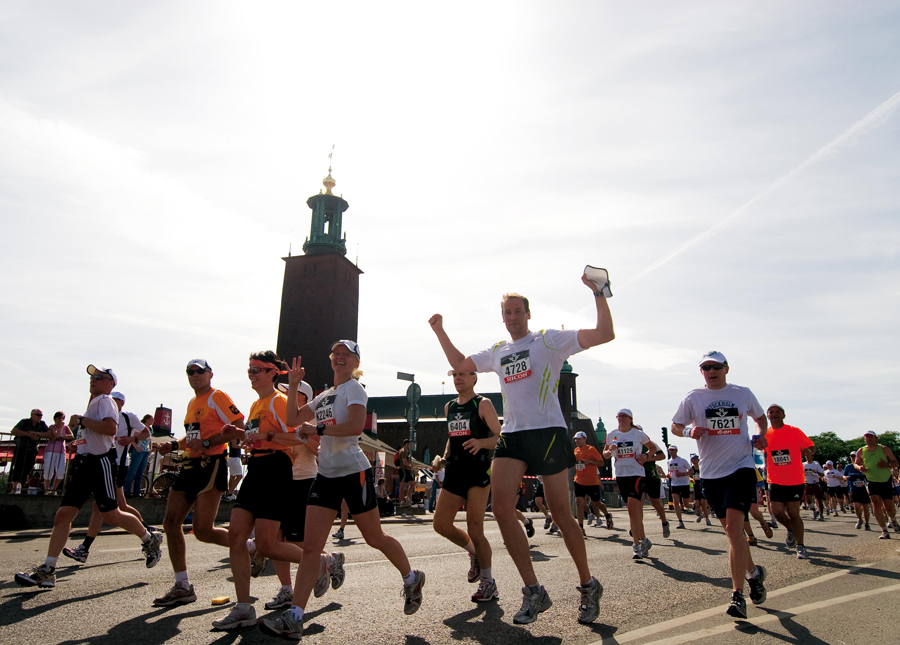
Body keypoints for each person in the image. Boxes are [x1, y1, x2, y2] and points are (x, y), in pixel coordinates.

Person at [429, 272, 613, 625]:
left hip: (547, 433)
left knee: (561, 514)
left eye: (517, 311)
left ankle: (588, 585)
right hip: (513, 435)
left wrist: (600, 294)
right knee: (501, 509)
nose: (512, 317)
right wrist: (440, 331)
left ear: (528, 314)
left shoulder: (548, 340)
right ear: (503, 318)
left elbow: (604, 334)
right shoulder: (499, 350)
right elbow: (461, 364)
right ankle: (533, 591)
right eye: (507, 312)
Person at [260, 341, 424, 639]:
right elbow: (292, 419)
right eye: (336, 353)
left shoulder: (354, 389)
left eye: (346, 355)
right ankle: (295, 617)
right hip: (325, 475)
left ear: (355, 362)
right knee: (311, 548)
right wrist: (293, 385)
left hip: (353, 472)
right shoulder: (324, 396)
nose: (339, 357)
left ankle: (411, 578)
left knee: (374, 538)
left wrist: (318, 430)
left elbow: (356, 426)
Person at [14, 365, 163, 589]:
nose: (94, 379)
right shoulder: (94, 403)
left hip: (101, 463)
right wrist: (79, 443)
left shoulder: (105, 401)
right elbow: (96, 436)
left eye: (100, 377)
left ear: (111, 384)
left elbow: (110, 429)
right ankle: (48, 570)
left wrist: (82, 421)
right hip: (85, 463)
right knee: (63, 515)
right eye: (93, 377)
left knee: (112, 514)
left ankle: (149, 539)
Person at [211, 351, 309, 629]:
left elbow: (299, 437)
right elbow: (258, 438)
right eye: (249, 370)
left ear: (272, 372)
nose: (251, 375)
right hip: (255, 469)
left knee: (267, 545)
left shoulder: (279, 401)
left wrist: (267, 436)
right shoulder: (256, 405)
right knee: (236, 537)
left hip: (276, 469)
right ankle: (243, 608)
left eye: (256, 370)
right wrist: (239, 435)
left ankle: (322, 561)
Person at [671, 351, 768, 620]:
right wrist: (689, 431)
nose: (711, 371)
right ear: (701, 372)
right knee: (731, 533)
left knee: (735, 529)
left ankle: (737, 595)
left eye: (716, 367)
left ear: (726, 368)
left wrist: (761, 435)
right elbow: (676, 425)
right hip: (712, 474)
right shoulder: (694, 397)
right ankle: (753, 573)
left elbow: (760, 418)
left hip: (741, 468)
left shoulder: (742, 393)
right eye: (706, 367)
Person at [151, 359, 246, 606]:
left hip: (211, 464)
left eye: (199, 371)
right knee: (170, 523)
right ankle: (182, 585)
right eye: (190, 372)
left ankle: (250, 547)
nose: (194, 375)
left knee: (203, 531)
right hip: (190, 465)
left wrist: (206, 443)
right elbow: (192, 437)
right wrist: (173, 444)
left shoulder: (217, 397)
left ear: (210, 374)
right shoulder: (193, 402)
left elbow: (238, 427)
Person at [264, 379, 344, 613]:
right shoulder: (282, 418)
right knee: (276, 540)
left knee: (296, 540)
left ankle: (329, 559)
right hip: (281, 481)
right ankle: (286, 589)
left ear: (302, 397)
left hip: (303, 480)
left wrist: (297, 435)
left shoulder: (312, 421)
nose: (284, 397)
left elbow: (317, 449)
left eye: (289, 393)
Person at [431, 368, 502, 603]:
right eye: (454, 375)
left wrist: (481, 442)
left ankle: (488, 582)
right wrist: (442, 458)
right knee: (440, 525)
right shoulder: (449, 407)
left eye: (463, 374)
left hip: (477, 472)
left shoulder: (483, 404)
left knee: (475, 528)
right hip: (454, 472)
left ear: (474, 378)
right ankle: (474, 552)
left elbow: (500, 438)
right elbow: (452, 438)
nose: (458, 378)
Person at [62, 391, 152, 564]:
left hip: (117, 465)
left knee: (108, 507)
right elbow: (92, 439)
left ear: (122, 403)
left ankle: (148, 535)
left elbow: (146, 432)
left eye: (117, 400)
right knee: (111, 507)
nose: (113, 402)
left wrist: (132, 439)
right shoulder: (99, 417)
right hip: (99, 464)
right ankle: (148, 534)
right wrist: (76, 444)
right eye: (112, 399)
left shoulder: (127, 417)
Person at [603, 410, 661, 559]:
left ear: (630, 419)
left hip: (636, 474)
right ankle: (644, 540)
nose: (621, 419)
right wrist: (609, 451)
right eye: (619, 416)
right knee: (632, 511)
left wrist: (646, 455)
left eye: (624, 416)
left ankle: (636, 546)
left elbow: (653, 448)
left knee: (633, 510)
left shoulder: (638, 434)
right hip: (621, 475)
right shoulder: (612, 435)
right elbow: (605, 454)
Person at [762, 404, 814, 559]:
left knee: (793, 512)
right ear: (767, 416)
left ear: (783, 415)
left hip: (795, 479)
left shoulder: (794, 431)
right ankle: (791, 529)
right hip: (775, 479)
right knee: (777, 511)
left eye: (778, 412)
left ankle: (800, 546)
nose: (774, 414)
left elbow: (811, 447)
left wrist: (808, 452)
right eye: (771, 412)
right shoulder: (765, 434)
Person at [855, 430, 900, 539]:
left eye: (870, 436)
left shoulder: (884, 449)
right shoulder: (861, 451)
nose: (868, 438)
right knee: (875, 503)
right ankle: (884, 530)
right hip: (871, 481)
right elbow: (856, 463)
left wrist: (887, 465)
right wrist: (860, 468)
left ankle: (892, 519)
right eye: (866, 437)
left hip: (885, 480)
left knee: (889, 508)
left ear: (876, 438)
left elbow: (896, 463)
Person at [573, 431, 613, 535]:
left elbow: (601, 463)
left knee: (596, 503)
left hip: (592, 482)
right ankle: (580, 527)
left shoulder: (591, 449)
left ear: (584, 439)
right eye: (576, 439)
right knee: (579, 502)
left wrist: (590, 461)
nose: (577, 441)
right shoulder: (576, 451)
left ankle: (607, 515)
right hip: (579, 481)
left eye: (579, 439)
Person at [636, 430, 669, 540]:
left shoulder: (650, 444)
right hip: (638, 477)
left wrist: (649, 458)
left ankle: (664, 522)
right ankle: (638, 528)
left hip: (651, 476)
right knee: (638, 505)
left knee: (656, 503)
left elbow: (662, 456)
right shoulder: (632, 445)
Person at [9, 409, 49, 494]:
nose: (40, 417)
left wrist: (37, 434)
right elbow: (14, 430)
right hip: (21, 447)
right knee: (18, 467)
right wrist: (28, 434)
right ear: (32, 415)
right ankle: (15, 487)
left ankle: (21, 484)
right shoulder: (25, 422)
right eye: (38, 415)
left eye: (41, 415)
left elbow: (49, 434)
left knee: (28, 468)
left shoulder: (42, 424)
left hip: (33, 449)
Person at [43, 412, 73, 495]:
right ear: (55, 419)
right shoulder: (52, 427)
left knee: (61, 472)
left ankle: (54, 488)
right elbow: (57, 435)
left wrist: (62, 437)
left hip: (61, 451)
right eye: (59, 418)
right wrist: (60, 428)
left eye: (62, 418)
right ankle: (47, 489)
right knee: (48, 471)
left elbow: (71, 436)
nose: (61, 420)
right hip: (51, 450)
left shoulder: (66, 427)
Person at [124, 413, 154, 497]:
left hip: (145, 451)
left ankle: (137, 492)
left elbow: (150, 439)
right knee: (132, 471)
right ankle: (126, 491)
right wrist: (136, 447)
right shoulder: (140, 427)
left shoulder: (150, 429)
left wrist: (150, 448)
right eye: (152, 419)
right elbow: (133, 437)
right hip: (138, 450)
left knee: (140, 473)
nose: (153, 421)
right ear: (147, 419)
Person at [667, 445, 693, 529]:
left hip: (684, 483)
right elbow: (671, 471)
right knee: (675, 502)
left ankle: (694, 506)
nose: (671, 451)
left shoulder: (682, 460)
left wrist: (682, 474)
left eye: (673, 450)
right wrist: (669, 475)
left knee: (686, 504)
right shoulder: (669, 462)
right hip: (674, 484)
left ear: (676, 451)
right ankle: (680, 521)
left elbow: (691, 471)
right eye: (670, 450)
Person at [844, 452, 871, 530]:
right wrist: (844, 478)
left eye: (855, 456)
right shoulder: (848, 467)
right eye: (852, 456)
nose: (853, 457)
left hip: (863, 489)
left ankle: (867, 523)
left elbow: (869, 476)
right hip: (854, 489)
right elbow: (844, 475)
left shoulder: (863, 466)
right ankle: (860, 519)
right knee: (856, 506)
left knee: (865, 508)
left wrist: (865, 473)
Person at [690, 453, 712, 526]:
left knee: (703, 503)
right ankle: (701, 515)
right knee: (697, 504)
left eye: (695, 459)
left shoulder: (702, 467)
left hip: (703, 486)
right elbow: (689, 476)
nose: (694, 461)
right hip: (696, 487)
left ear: (698, 460)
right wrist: (691, 479)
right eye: (692, 460)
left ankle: (707, 518)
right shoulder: (691, 469)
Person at [803, 453, 827, 521]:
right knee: (809, 501)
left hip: (815, 483)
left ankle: (821, 514)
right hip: (807, 484)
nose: (807, 457)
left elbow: (822, 474)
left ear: (812, 456)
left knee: (819, 500)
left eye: (808, 456)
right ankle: (814, 511)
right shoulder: (803, 464)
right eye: (806, 456)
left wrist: (815, 472)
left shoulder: (816, 464)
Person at [395, 440, 414, 507]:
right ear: (406, 444)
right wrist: (410, 466)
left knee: (413, 483)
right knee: (402, 485)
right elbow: (404, 461)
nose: (409, 445)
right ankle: (402, 500)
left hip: (407, 470)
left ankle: (407, 496)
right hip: (403, 469)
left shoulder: (407, 451)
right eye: (409, 444)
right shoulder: (403, 451)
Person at [224, 436, 244, 502]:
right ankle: (230, 492)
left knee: (232, 476)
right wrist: (243, 446)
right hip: (235, 458)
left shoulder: (233, 437)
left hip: (232, 458)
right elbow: (234, 445)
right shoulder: (234, 436)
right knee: (239, 476)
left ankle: (230, 494)